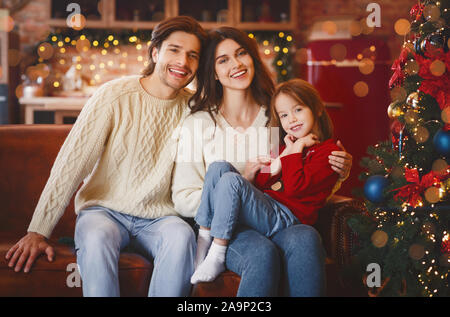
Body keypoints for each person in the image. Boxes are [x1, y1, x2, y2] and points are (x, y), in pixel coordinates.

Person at [5, 16, 208, 297]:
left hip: (161, 218)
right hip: (104, 211)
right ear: (155, 52)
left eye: (192, 55)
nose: (183, 62)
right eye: (174, 50)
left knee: (182, 236)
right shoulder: (114, 96)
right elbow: (71, 164)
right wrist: (38, 230)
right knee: (97, 236)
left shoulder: (194, 108)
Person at [171, 27, 353, 296]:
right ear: (213, 72)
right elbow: (183, 197)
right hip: (228, 227)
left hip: (271, 211)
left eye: (241, 53)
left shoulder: (275, 116)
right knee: (261, 253)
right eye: (223, 60)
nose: (236, 64)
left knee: (306, 237)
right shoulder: (197, 124)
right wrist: (234, 196)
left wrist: (339, 171)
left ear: (253, 58)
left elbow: (295, 177)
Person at [190, 78, 340, 284]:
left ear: (317, 109)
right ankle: (204, 238)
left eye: (298, 110)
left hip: (288, 217)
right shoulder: (284, 148)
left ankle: (217, 252)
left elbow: (296, 187)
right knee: (219, 167)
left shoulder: (329, 152)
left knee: (233, 181)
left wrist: (294, 151)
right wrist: (253, 174)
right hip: (269, 210)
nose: (292, 120)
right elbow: (262, 183)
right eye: (284, 115)